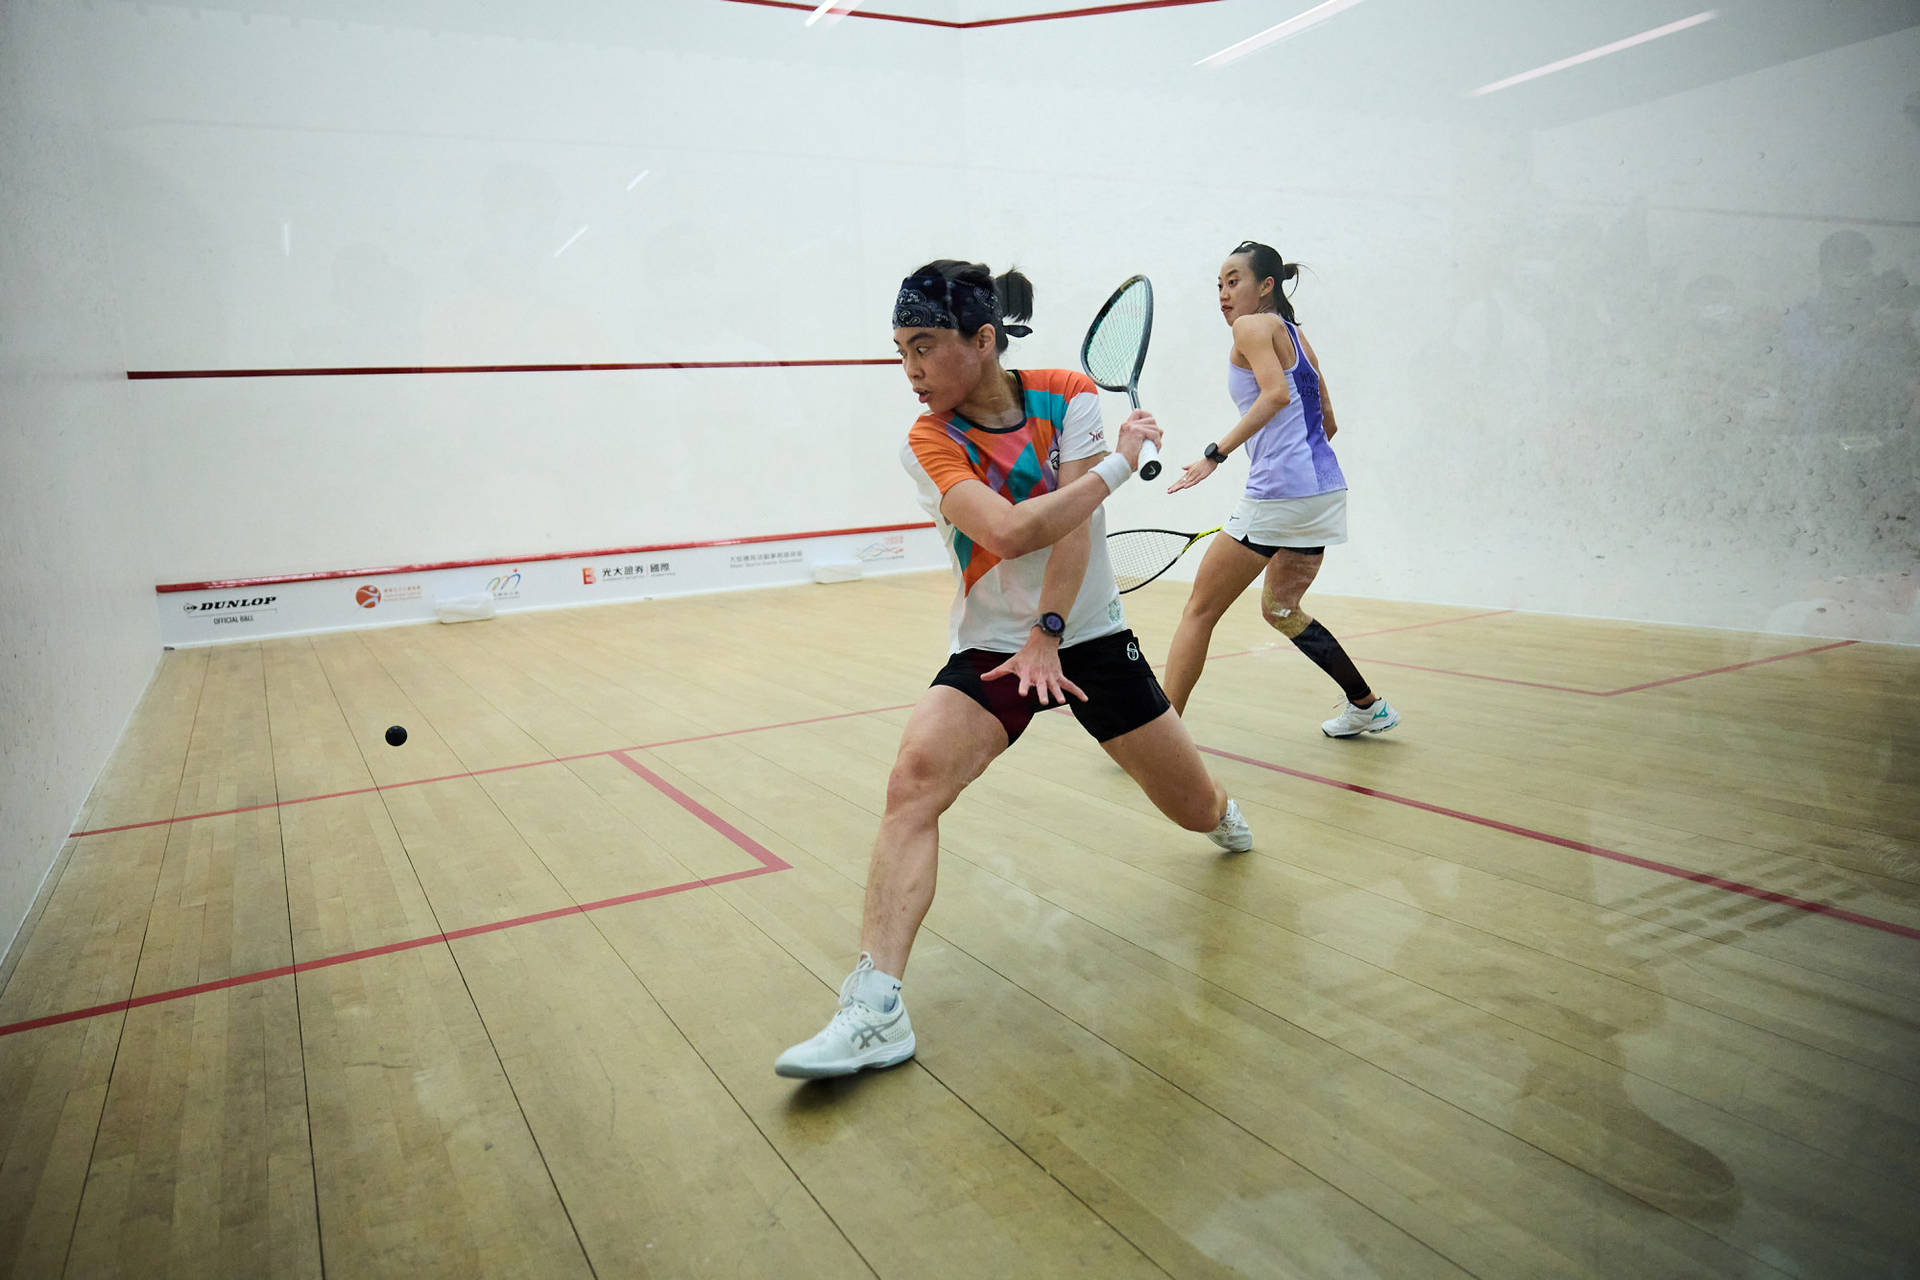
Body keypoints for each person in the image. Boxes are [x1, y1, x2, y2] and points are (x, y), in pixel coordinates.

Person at [774, 260, 1254, 1079]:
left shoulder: (1068, 394)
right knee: (913, 782)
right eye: (901, 351)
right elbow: (1011, 527)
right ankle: (874, 1006)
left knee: (1193, 808)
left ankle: (1222, 815)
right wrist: (1114, 469)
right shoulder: (928, 441)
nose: (912, 371)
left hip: (1091, 636)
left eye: (925, 346)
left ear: (985, 339)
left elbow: (1070, 532)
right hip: (992, 649)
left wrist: (1053, 629)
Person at [1161, 241, 1399, 739]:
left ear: (1265, 285)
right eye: (1219, 285)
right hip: (1323, 495)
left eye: (1235, 281)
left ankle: (1159, 736)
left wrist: (1214, 454)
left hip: (1279, 495)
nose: (1224, 294)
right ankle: (1367, 705)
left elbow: (1275, 395)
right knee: (1281, 610)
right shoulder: (1295, 335)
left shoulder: (1251, 327)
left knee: (1199, 611)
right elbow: (1326, 422)